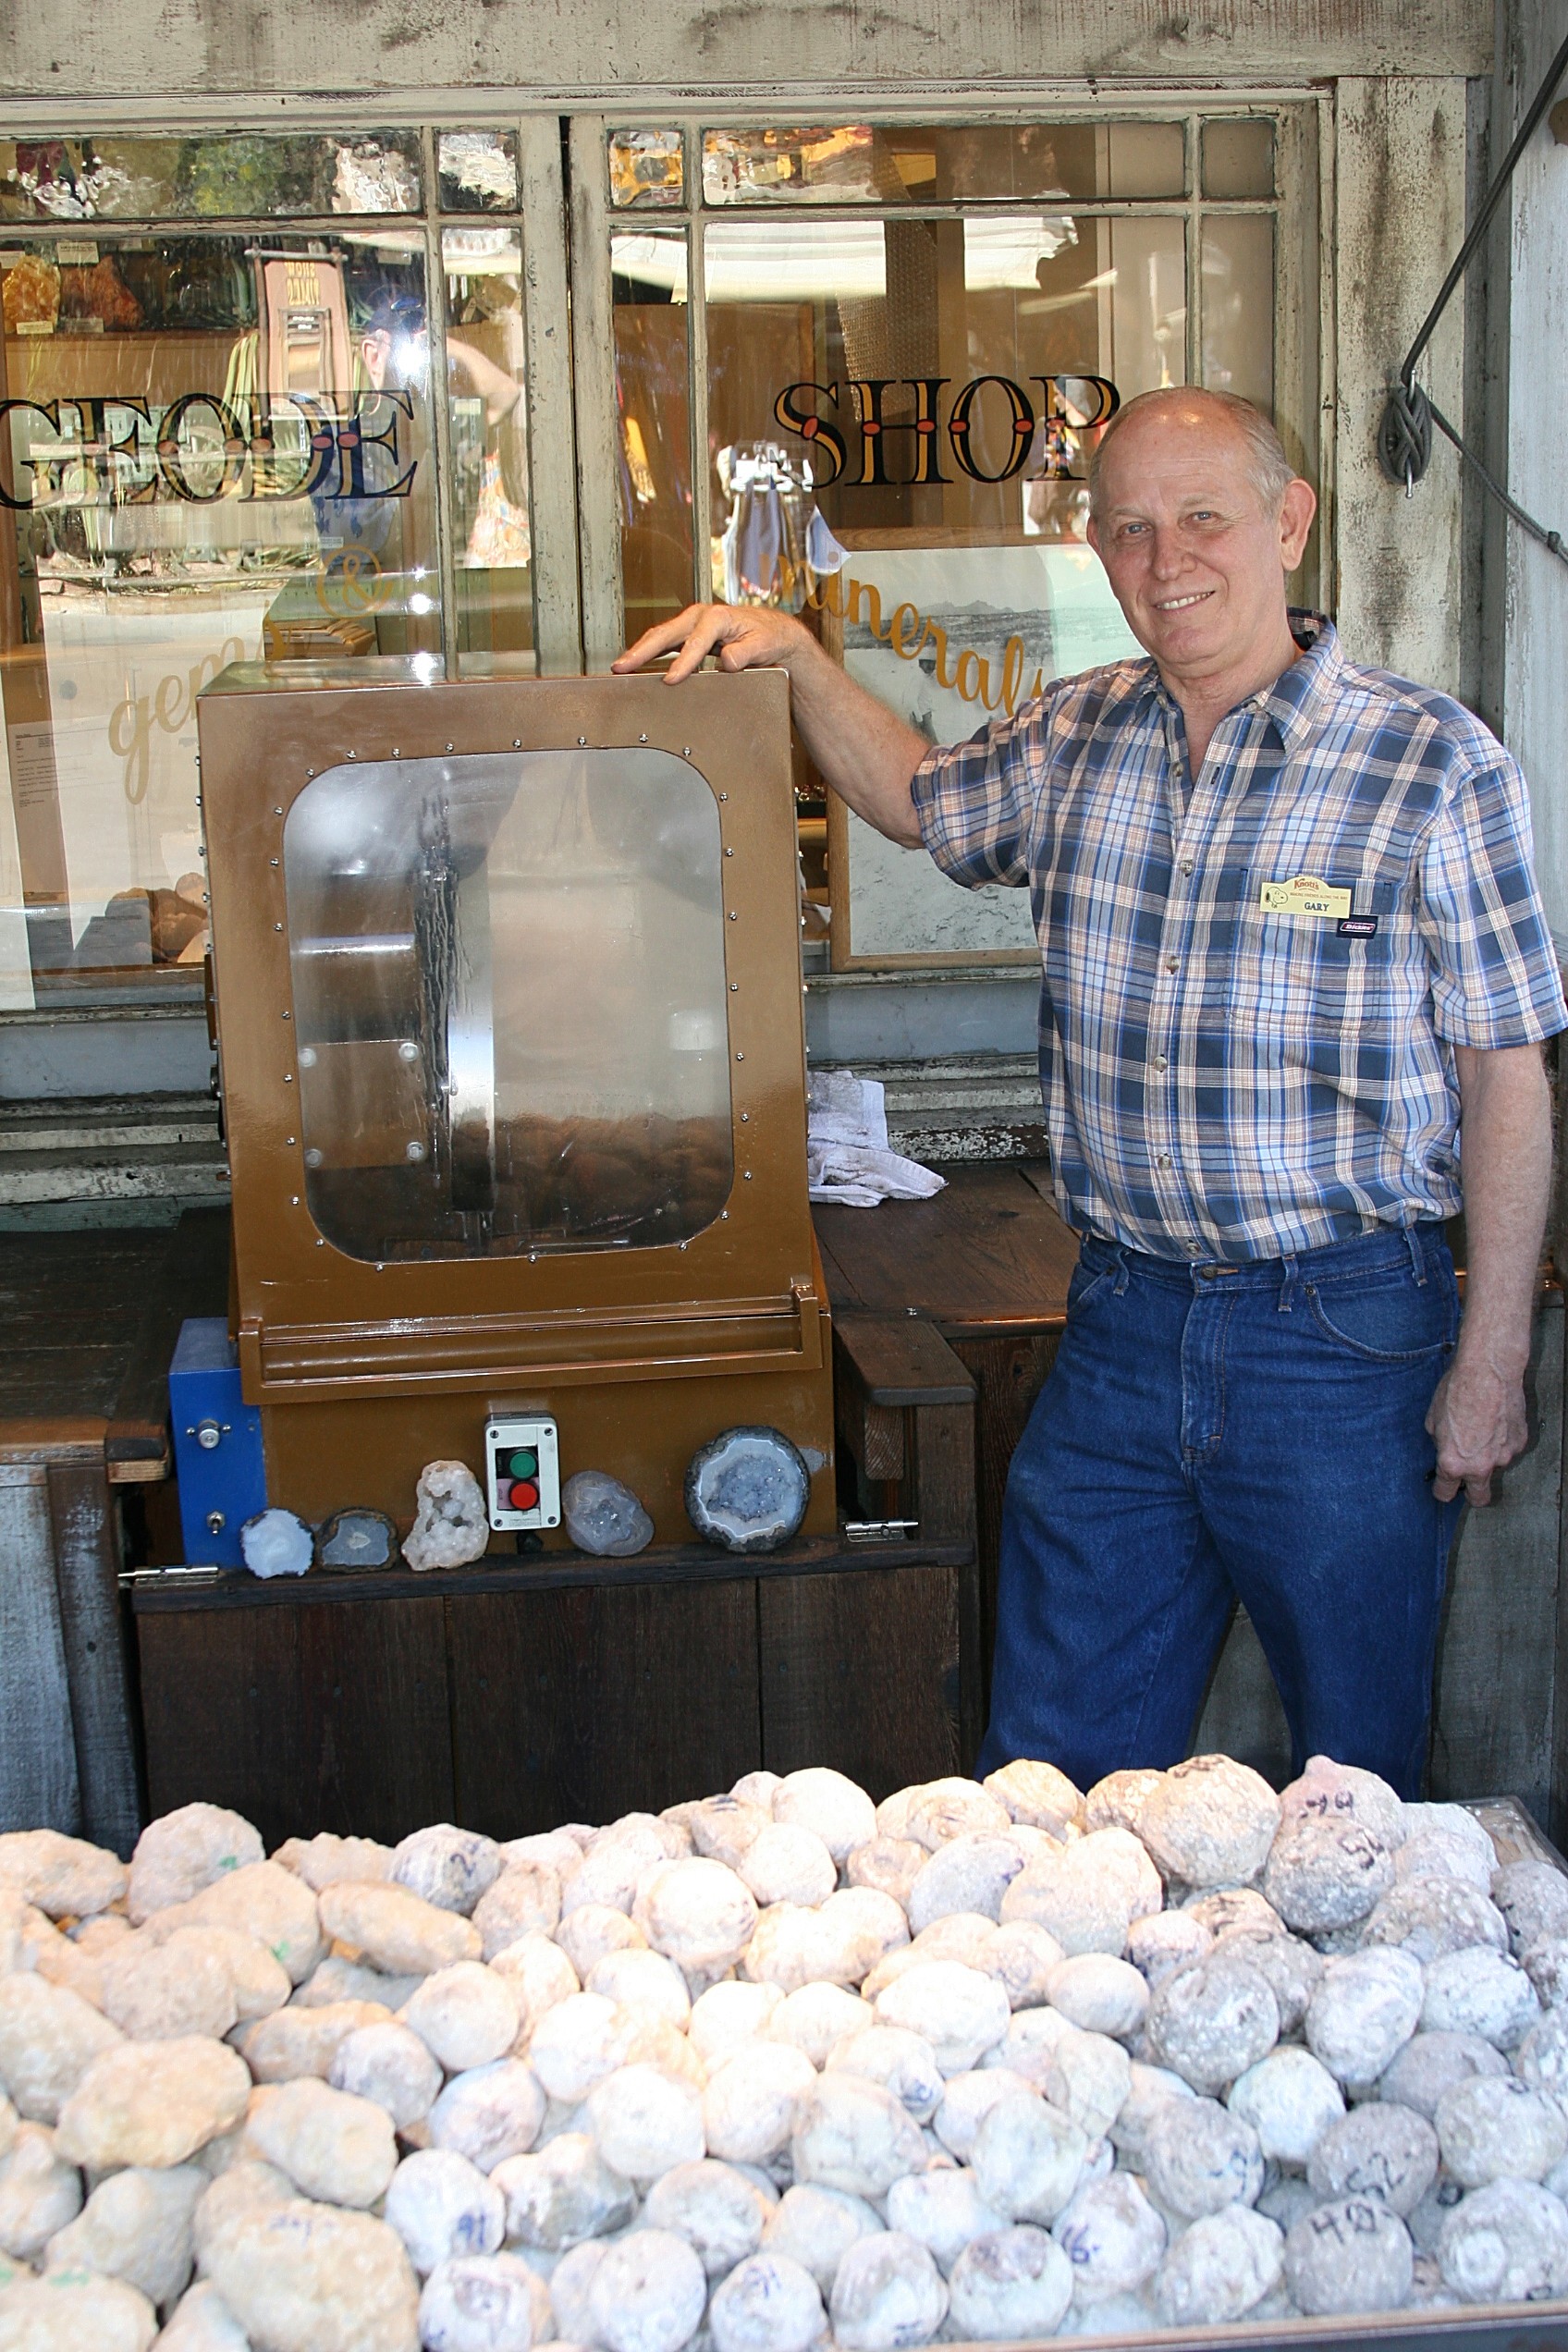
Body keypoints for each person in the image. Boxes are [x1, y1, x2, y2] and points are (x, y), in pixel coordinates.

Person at [614, 387, 1567, 1798]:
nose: (1166, 560)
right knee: (1050, 1791)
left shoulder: (1433, 765)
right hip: (1122, 1321)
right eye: (1128, 529)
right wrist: (800, 660)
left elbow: (1509, 1077)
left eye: (1202, 518)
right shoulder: (1078, 736)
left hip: (1346, 1340)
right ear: (1097, 551)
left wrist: (1491, 1363)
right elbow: (921, 799)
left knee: (1352, 1793)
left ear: (1288, 524)